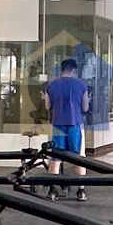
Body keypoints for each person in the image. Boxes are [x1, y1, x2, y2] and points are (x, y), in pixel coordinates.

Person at [44, 56, 91, 200]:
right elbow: (85, 107)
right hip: (75, 124)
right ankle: (81, 191)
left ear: (62, 70)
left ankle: (52, 191)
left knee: (55, 158)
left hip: (58, 125)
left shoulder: (51, 86)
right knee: (79, 157)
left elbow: (47, 106)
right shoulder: (81, 85)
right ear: (74, 71)